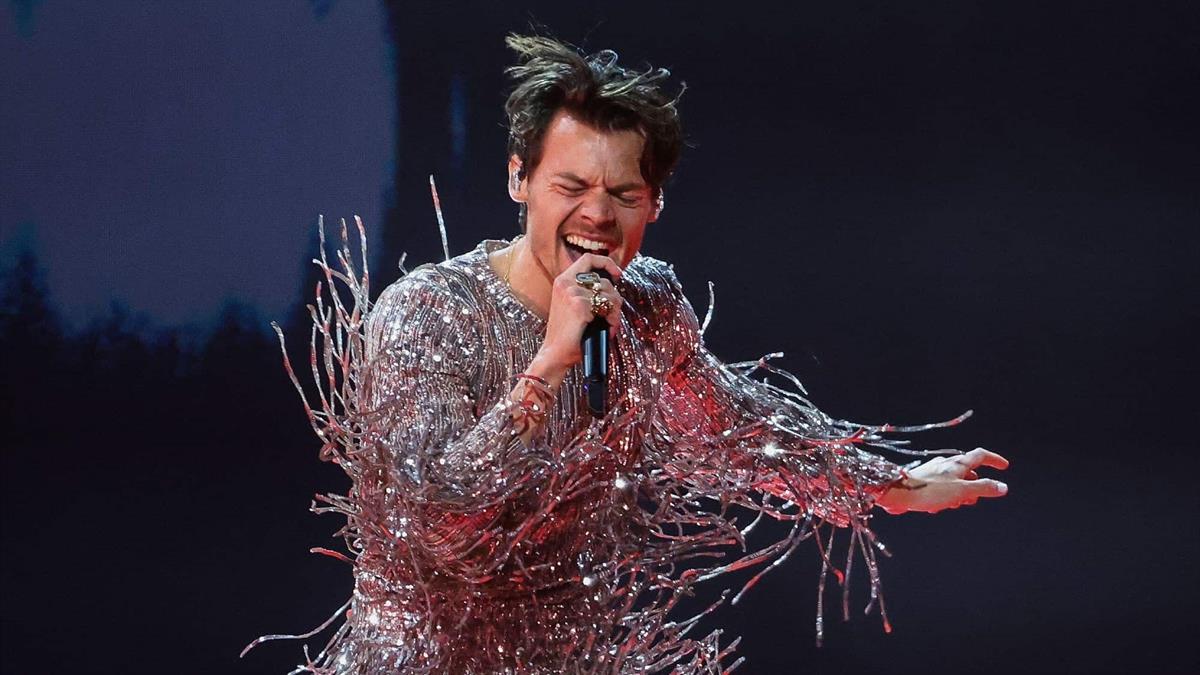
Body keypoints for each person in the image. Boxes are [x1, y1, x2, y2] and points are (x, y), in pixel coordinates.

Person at [245, 34, 1009, 674]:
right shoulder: (428, 312)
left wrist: (888, 485)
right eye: (571, 186)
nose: (597, 215)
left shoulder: (646, 303)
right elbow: (437, 519)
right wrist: (551, 360)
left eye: (624, 194)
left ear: (656, 202)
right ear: (519, 178)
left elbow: (728, 426)